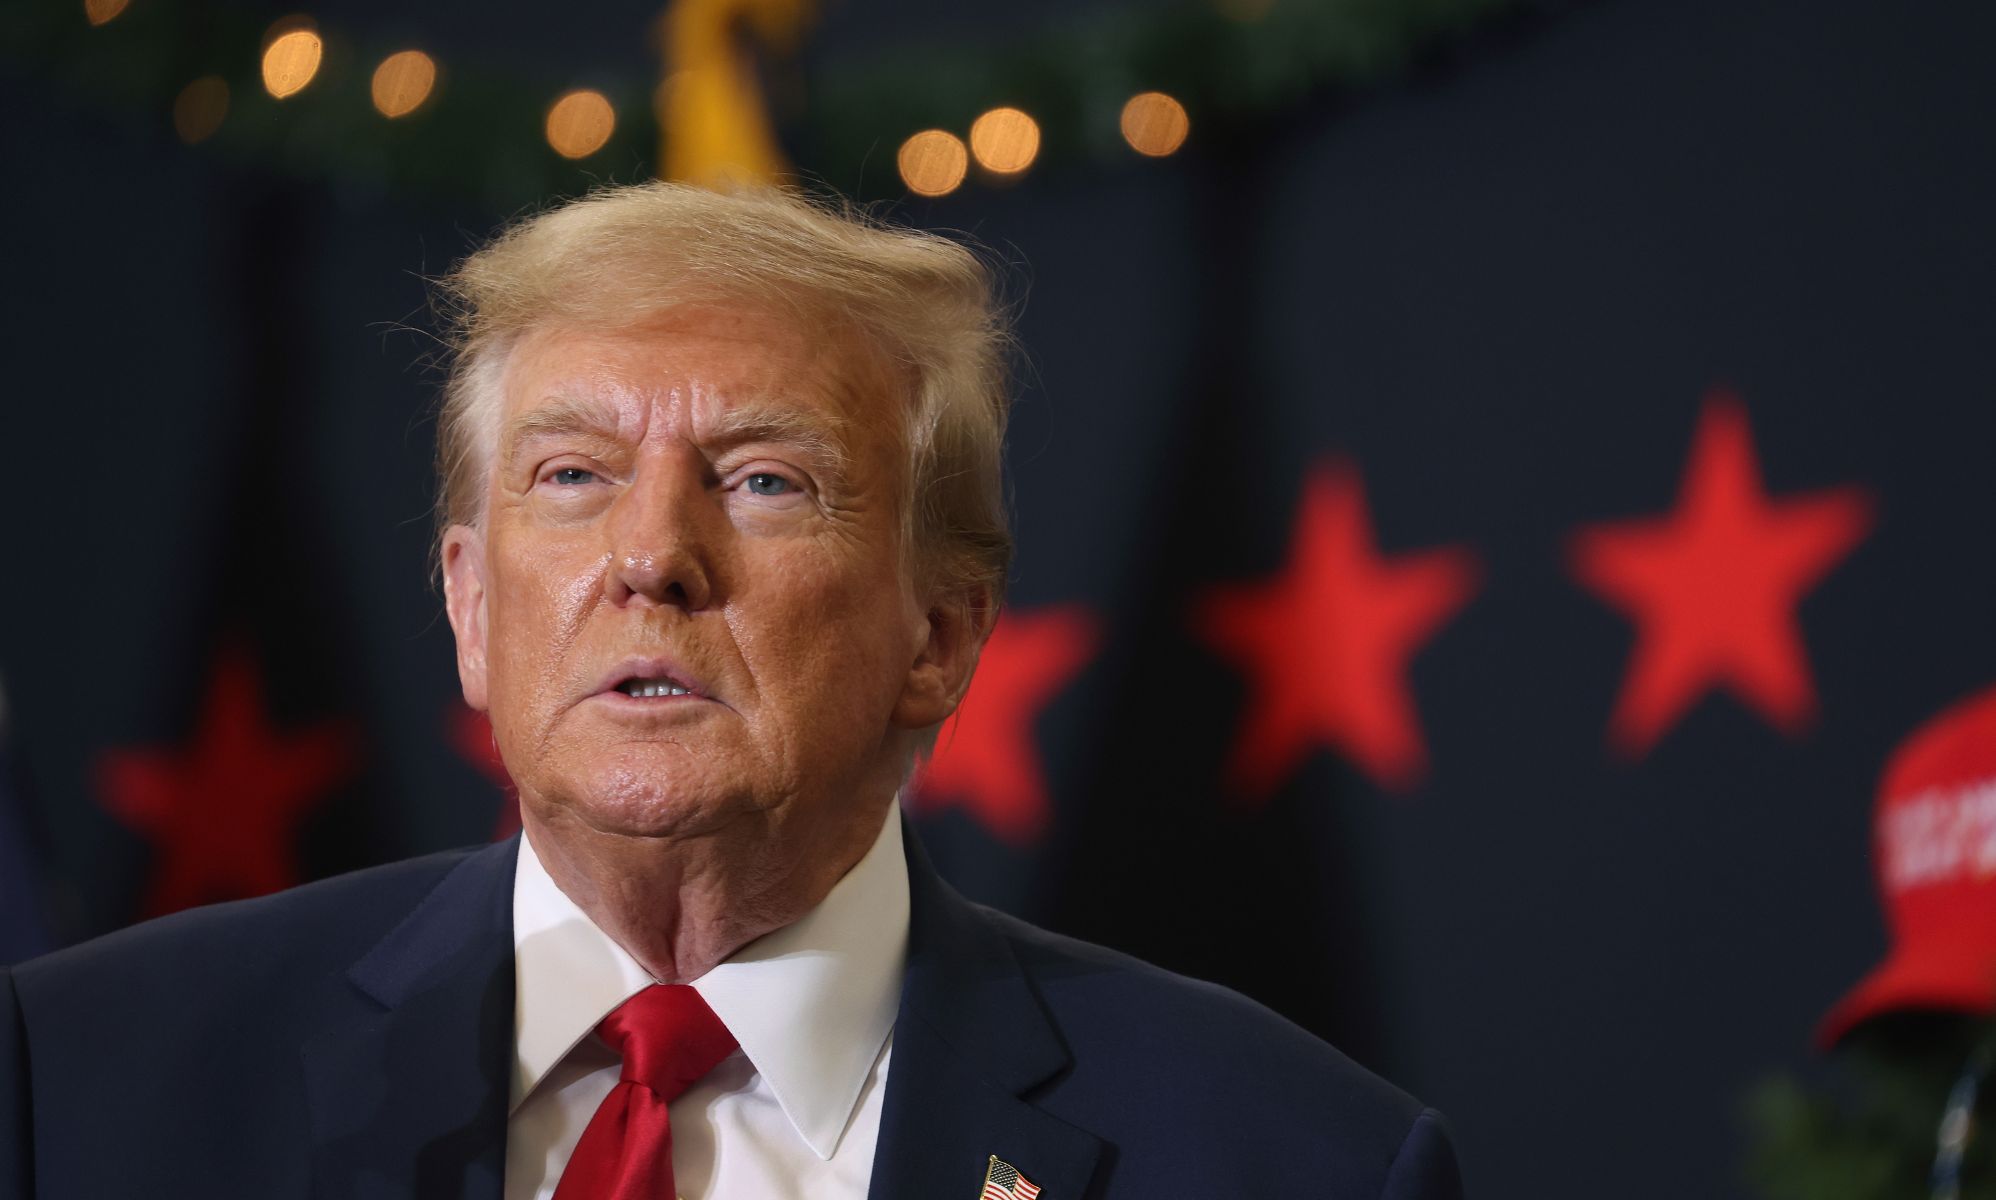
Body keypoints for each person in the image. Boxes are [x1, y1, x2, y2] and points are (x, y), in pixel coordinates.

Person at [0, 183, 1462, 1199]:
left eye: (764, 480)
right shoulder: (77, 1087)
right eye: (572, 475)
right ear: (470, 606)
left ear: (941, 635)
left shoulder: (1293, 1162)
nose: (651, 556)